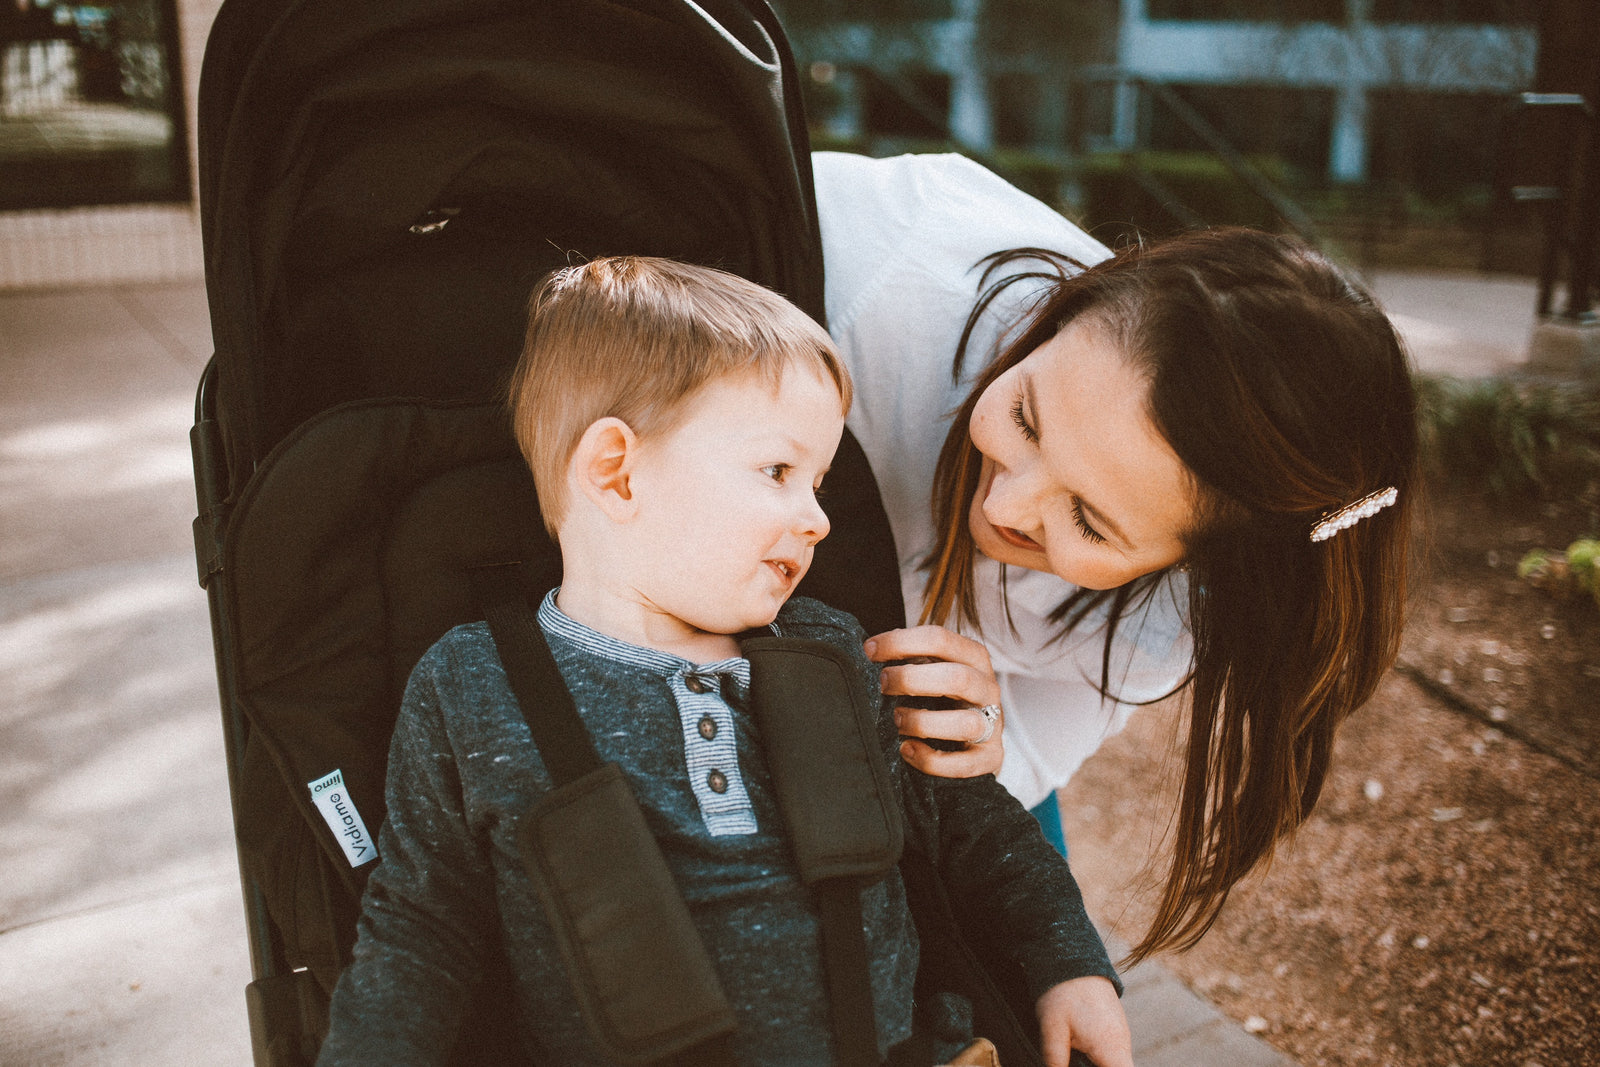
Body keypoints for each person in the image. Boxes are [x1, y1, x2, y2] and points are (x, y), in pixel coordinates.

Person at [317, 255, 1135, 1066]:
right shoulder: (472, 686)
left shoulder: (829, 650)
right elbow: (422, 930)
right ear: (617, 472)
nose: (816, 519)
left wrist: (1070, 964)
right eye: (779, 471)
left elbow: (973, 828)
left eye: (818, 482)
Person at [814, 150, 1419, 962]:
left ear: (1192, 569)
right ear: (1069, 308)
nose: (1003, 507)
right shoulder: (879, 269)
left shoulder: (1167, 624)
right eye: (1026, 418)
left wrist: (982, 726)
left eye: (1090, 525)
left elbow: (1025, 752)